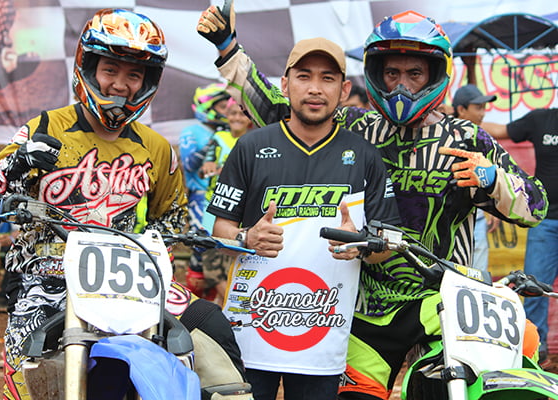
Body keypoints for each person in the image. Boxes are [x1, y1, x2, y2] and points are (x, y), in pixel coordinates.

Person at [197, 4, 548, 399]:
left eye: (414, 74)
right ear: (376, 74)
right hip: (364, 307)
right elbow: (281, 109)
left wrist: (495, 180)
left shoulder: (467, 139)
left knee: (460, 384)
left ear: (435, 75)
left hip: (442, 304)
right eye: (392, 73)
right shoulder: (356, 127)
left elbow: (536, 207)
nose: (402, 86)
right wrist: (229, 51)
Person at [0, 9, 248, 400]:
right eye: (110, 70)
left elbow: (172, 217)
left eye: (134, 74)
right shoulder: (44, 128)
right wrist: (16, 165)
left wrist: (155, 248)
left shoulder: (156, 148)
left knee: (211, 324)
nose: (120, 84)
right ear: (88, 68)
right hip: (49, 278)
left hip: (128, 280)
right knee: (31, 373)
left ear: (148, 81)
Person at [204, 35, 401, 400]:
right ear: (285, 84)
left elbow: (388, 243)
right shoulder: (250, 147)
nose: (315, 88)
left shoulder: (364, 155)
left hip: (323, 339)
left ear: (343, 91)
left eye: (327, 78)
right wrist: (247, 238)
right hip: (250, 332)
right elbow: (220, 231)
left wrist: (362, 245)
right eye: (304, 76)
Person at [483, 107, 558, 368]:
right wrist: (461, 117)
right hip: (546, 221)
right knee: (535, 286)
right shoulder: (541, 119)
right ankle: (535, 352)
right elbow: (500, 130)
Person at [179, 83, 231, 299]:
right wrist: (214, 143)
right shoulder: (192, 132)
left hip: (225, 199)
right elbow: (190, 163)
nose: (227, 111)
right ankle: (192, 305)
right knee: (202, 251)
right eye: (222, 106)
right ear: (208, 107)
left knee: (223, 254)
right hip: (200, 199)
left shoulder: (229, 133)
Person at [200, 97, 254, 304]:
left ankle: (234, 304)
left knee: (235, 260)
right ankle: (229, 304)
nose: (237, 118)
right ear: (226, 116)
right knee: (212, 264)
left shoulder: (254, 141)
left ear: (249, 119)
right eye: (232, 113)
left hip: (242, 210)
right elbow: (206, 165)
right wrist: (209, 167)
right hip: (213, 207)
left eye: (242, 114)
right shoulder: (218, 137)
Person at [451, 84, 501, 271]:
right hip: (448, 221)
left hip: (478, 219)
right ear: (461, 110)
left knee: (478, 278)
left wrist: (493, 205)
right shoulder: (442, 138)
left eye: (484, 108)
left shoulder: (481, 139)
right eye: (478, 108)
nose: (482, 113)